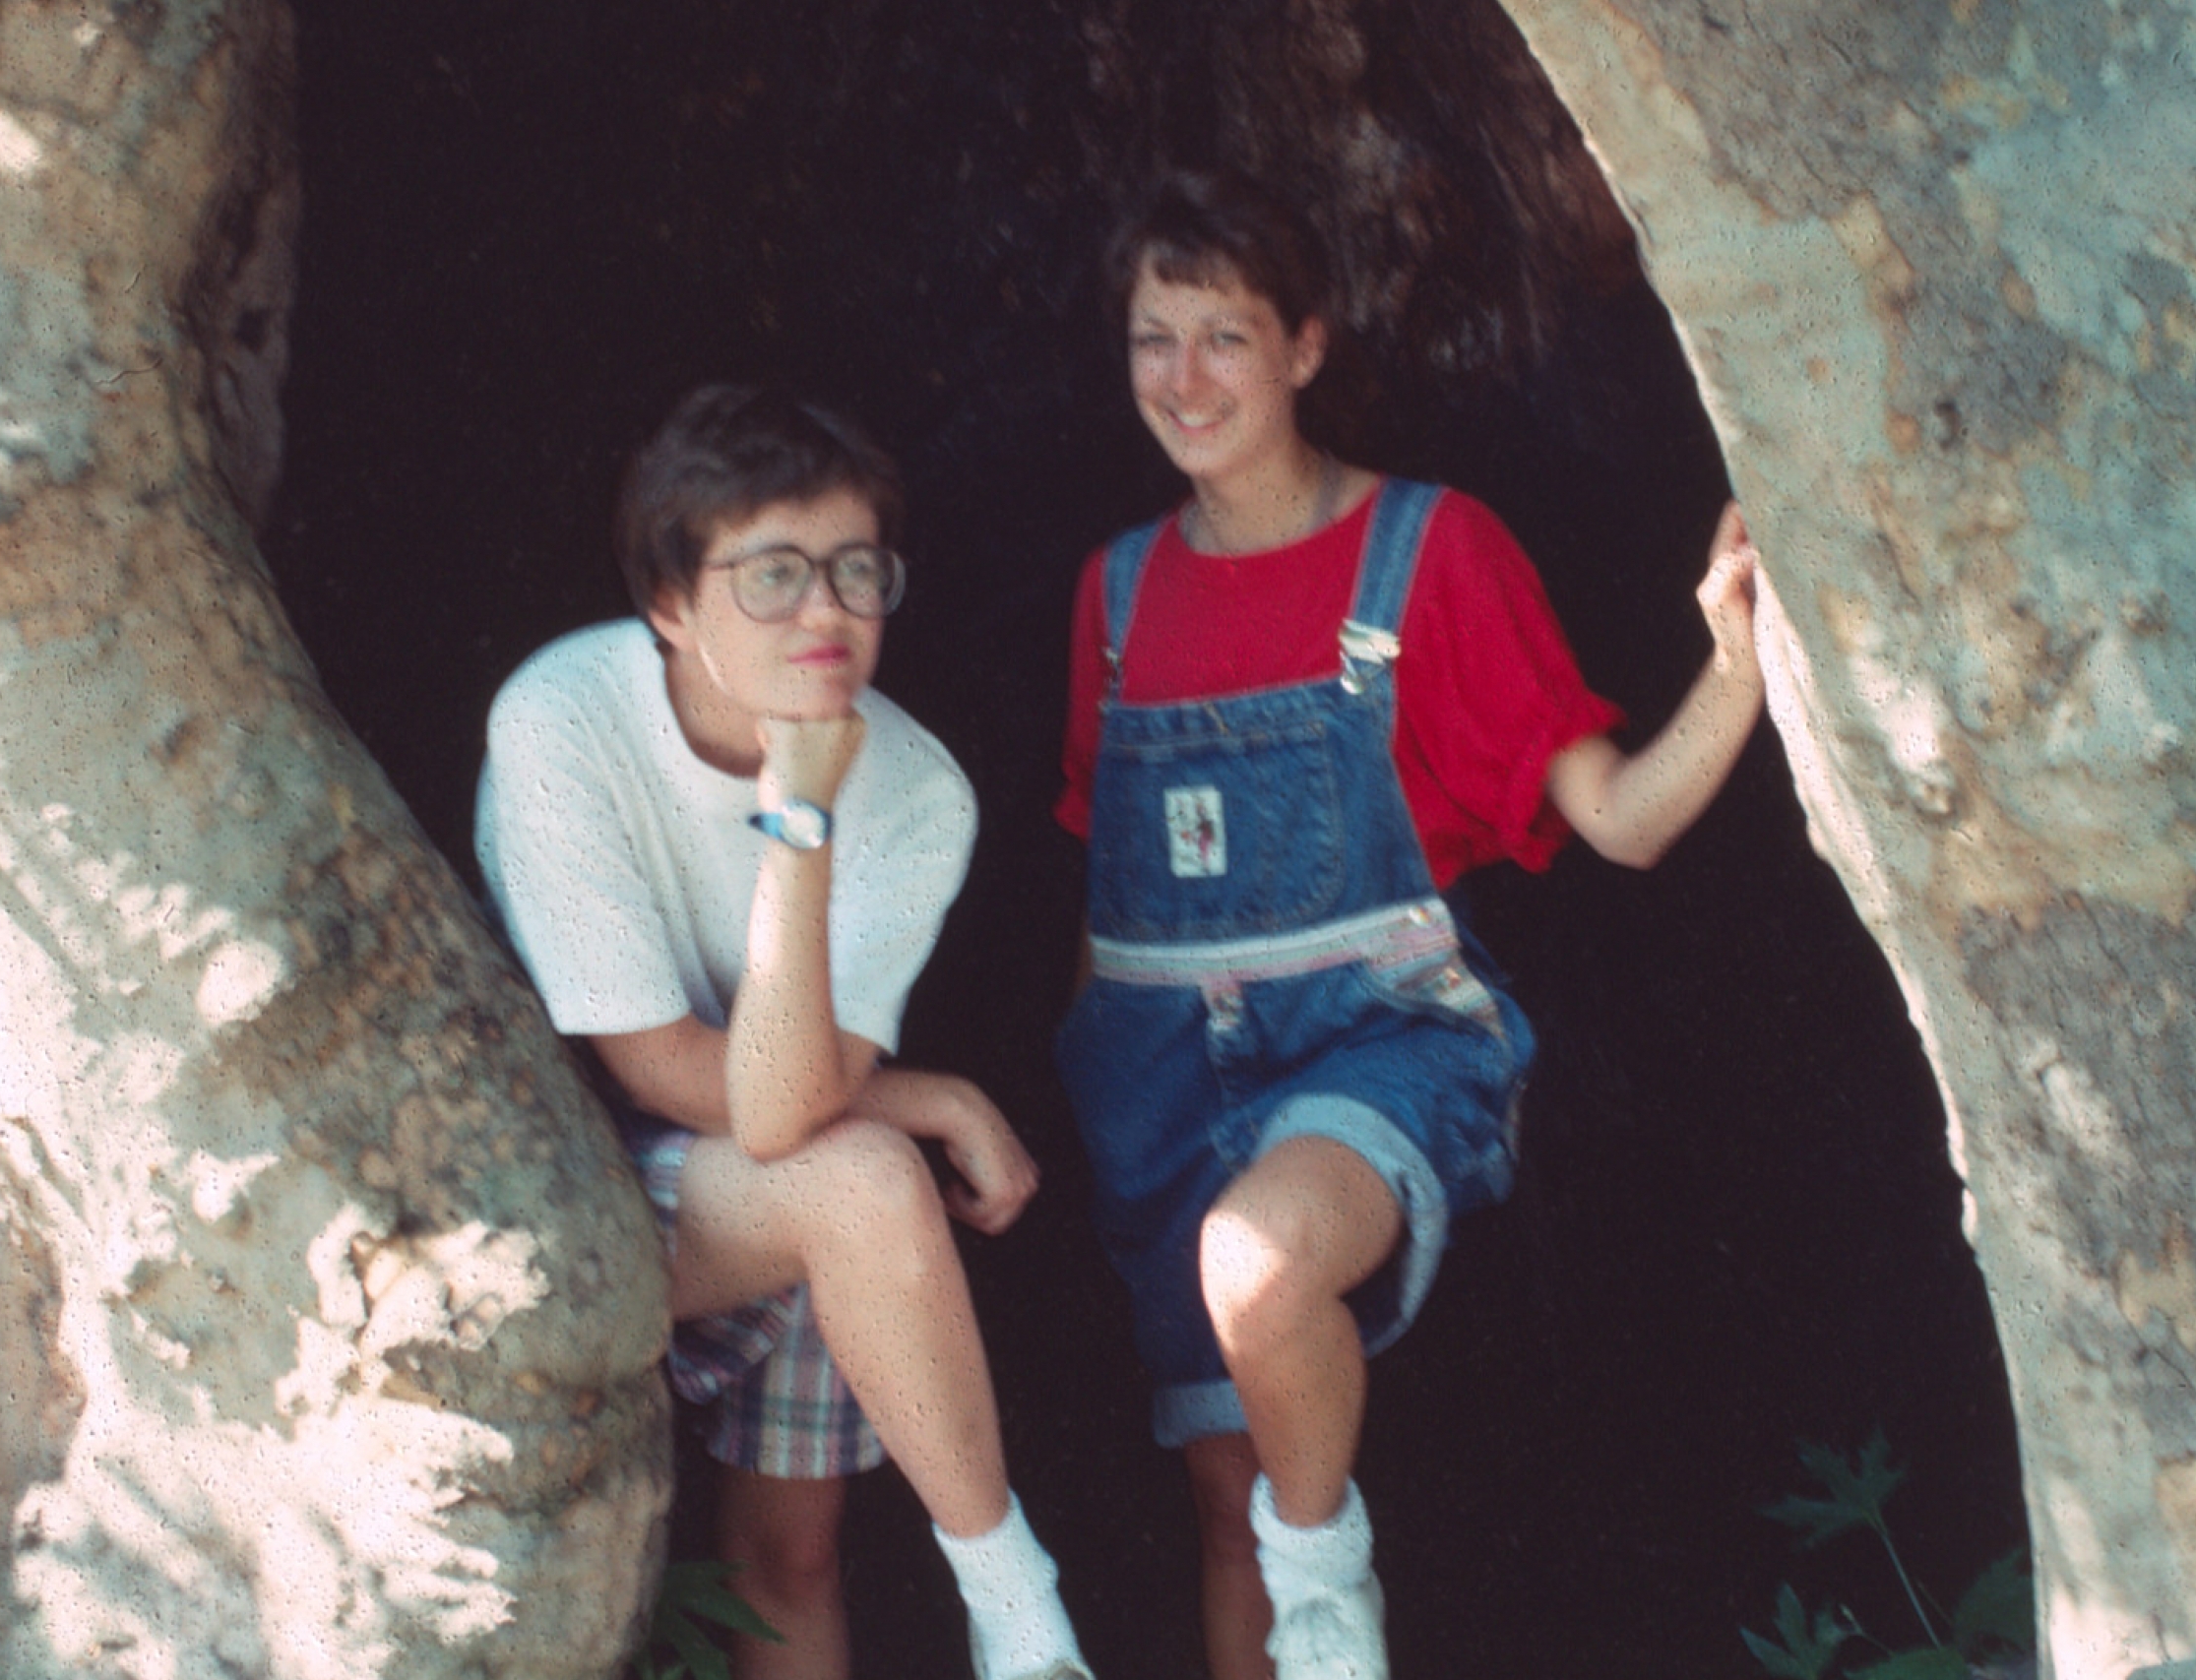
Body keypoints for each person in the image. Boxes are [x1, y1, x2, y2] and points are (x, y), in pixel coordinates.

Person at [1052, 172, 1766, 1680]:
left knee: (1259, 1268)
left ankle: (1332, 1604)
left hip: (1376, 1045)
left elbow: (1621, 820)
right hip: (1157, 1088)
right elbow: (1104, 902)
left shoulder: (1429, 553)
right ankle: (1299, 1597)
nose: (1184, 382)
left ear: (1306, 346)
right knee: (1224, 1491)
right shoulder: (1113, 595)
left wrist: (1740, 664)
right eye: (1152, 339)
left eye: (1225, 338)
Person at [478, 384, 1093, 1680]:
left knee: (790, 1564)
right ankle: (1019, 1611)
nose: (825, 613)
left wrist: (810, 817)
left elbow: (785, 1104)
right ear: (669, 604)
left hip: (778, 1161)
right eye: (771, 575)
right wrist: (800, 833)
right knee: (864, 1177)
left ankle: (1016, 1621)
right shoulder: (562, 721)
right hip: (570, 1194)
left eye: (855, 571)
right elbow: (675, 1080)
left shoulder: (917, 790)